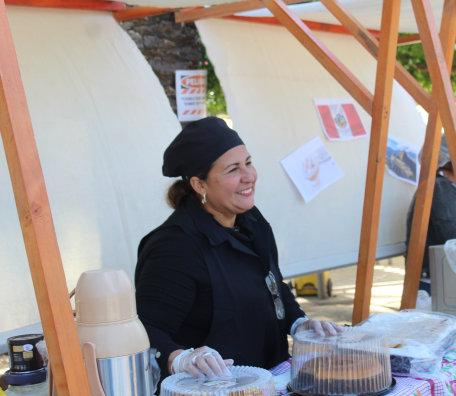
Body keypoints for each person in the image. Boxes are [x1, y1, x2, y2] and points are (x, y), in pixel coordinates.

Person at [135, 117, 342, 386]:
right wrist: (181, 358)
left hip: (274, 378)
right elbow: (146, 331)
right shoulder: (175, 247)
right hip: (214, 389)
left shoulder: (251, 220)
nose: (250, 176)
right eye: (233, 169)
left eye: (248, 162)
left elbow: (272, 283)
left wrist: (299, 323)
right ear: (200, 185)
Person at [405, 134, 456, 294]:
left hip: (438, 276)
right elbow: (453, 236)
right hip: (433, 280)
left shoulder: (443, 185)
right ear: (453, 159)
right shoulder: (442, 186)